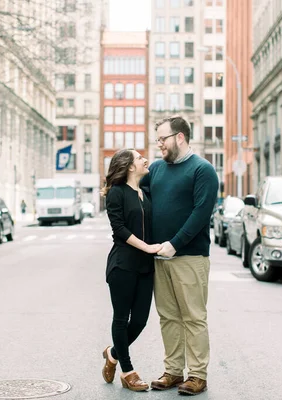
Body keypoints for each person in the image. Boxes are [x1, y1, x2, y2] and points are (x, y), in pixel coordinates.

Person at [141, 116, 219, 395]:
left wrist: (175, 244)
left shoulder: (203, 170)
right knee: (168, 316)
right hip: (160, 257)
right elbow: (140, 200)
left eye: (163, 138)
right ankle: (173, 371)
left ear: (180, 137)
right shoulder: (157, 169)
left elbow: (201, 213)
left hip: (190, 257)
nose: (159, 144)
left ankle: (197, 375)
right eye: (158, 139)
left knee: (193, 317)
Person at [100, 149, 163, 392]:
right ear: (128, 166)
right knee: (121, 318)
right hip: (123, 265)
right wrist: (146, 247)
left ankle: (113, 354)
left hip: (145, 266)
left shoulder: (145, 193)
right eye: (139, 158)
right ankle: (127, 371)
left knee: (139, 321)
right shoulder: (116, 193)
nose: (145, 160)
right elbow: (119, 229)